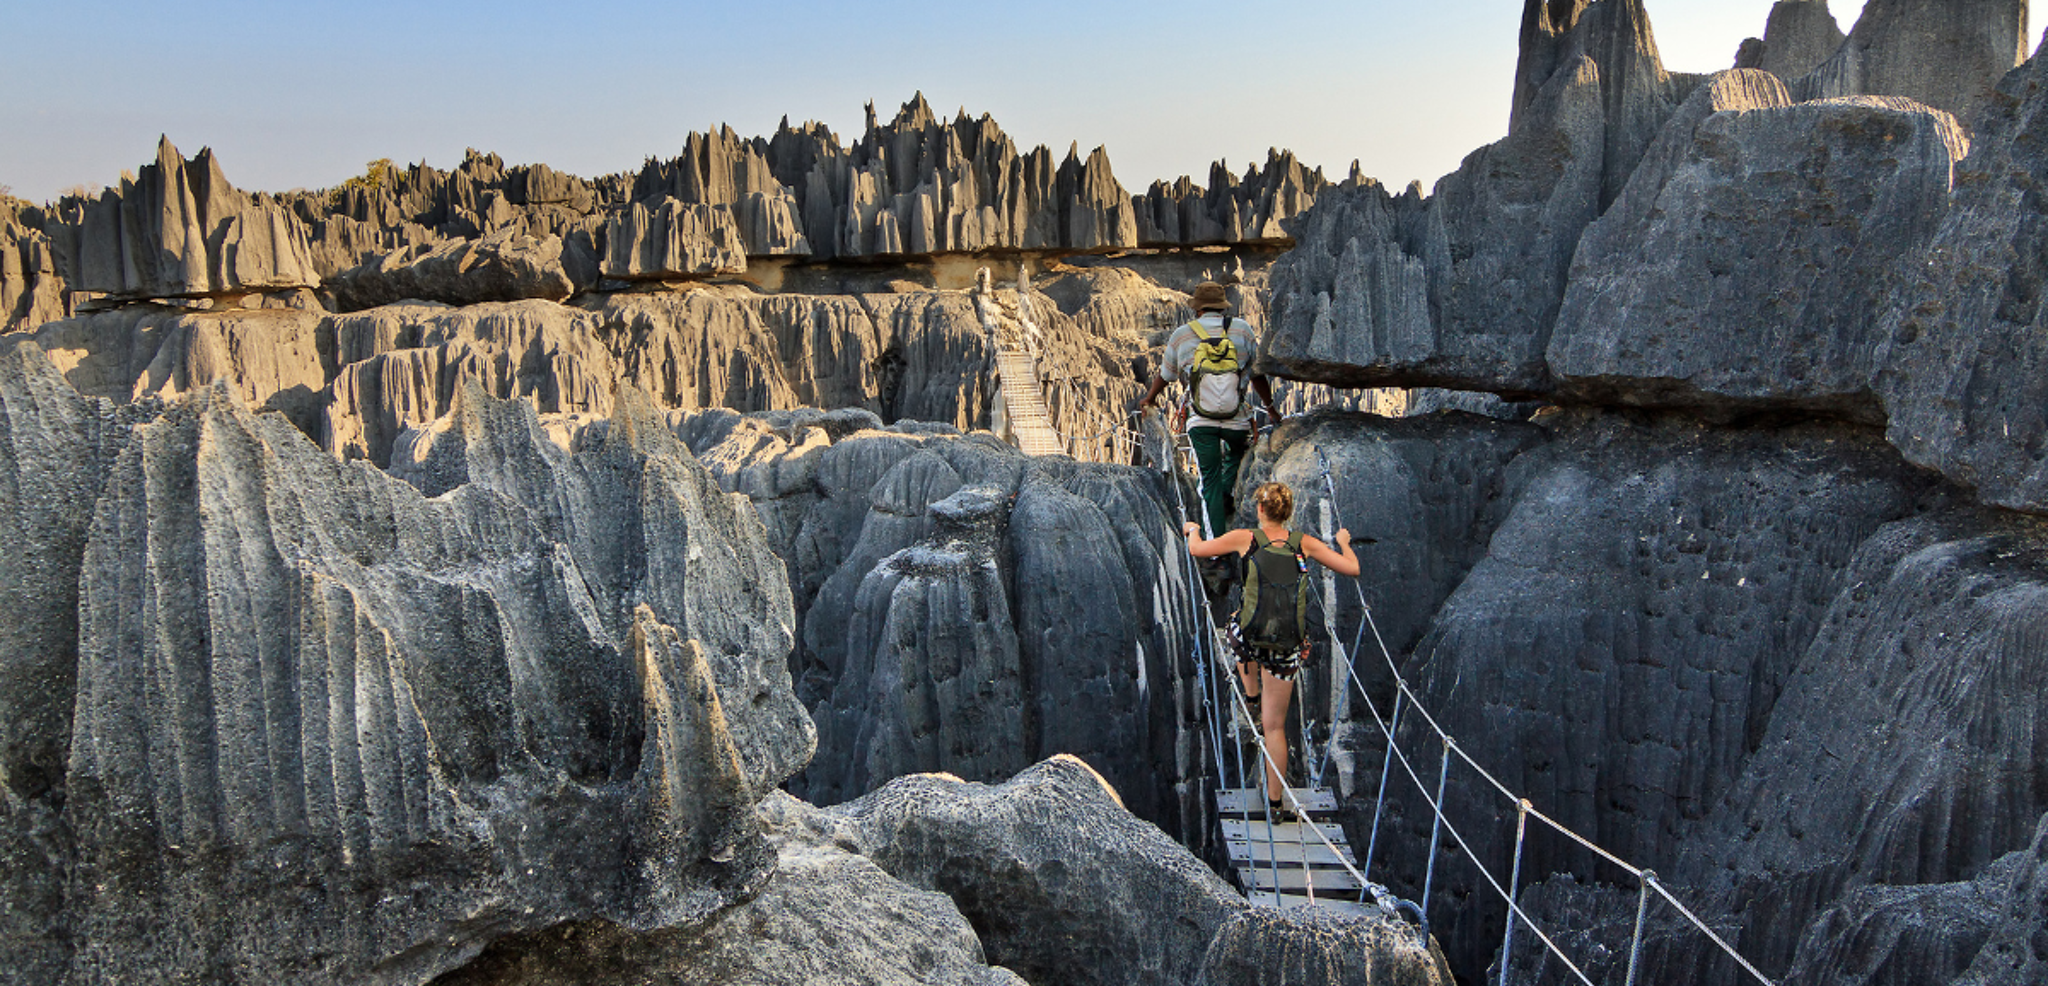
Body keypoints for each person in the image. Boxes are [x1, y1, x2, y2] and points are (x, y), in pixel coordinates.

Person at [1183, 482, 1359, 820]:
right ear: (1288, 512)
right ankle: (1276, 805)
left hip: (1250, 638)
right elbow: (1352, 569)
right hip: (1286, 649)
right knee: (1274, 727)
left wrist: (1193, 528)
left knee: (1234, 631)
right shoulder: (1304, 544)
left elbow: (1198, 550)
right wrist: (1344, 543)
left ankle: (1250, 697)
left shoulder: (1245, 538)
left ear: (1260, 510)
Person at [1136, 281, 1282, 538]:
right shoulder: (1243, 330)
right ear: (1222, 308)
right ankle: (1227, 493)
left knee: (1209, 482)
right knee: (1238, 451)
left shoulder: (1182, 334)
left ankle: (1219, 554)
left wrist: (1149, 398)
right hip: (1237, 419)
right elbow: (1257, 375)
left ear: (1198, 310)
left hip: (1201, 422)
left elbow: (1166, 375)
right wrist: (1270, 408)